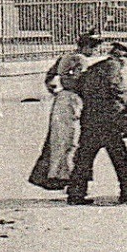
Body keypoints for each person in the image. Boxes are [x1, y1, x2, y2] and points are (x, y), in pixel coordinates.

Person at [65, 42, 127, 205]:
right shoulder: (113, 66)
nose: (125, 62)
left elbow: (81, 86)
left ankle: (76, 193)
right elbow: (114, 87)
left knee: (85, 157)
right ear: (120, 56)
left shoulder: (98, 66)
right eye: (125, 58)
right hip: (107, 121)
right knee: (119, 157)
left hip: (90, 118)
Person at [28, 32, 102, 190]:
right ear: (87, 46)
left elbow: (50, 75)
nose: (95, 52)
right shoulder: (81, 60)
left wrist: (53, 90)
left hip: (60, 98)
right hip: (72, 99)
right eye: (94, 48)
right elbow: (81, 82)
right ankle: (63, 177)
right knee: (69, 140)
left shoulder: (65, 57)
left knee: (57, 138)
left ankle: (54, 175)